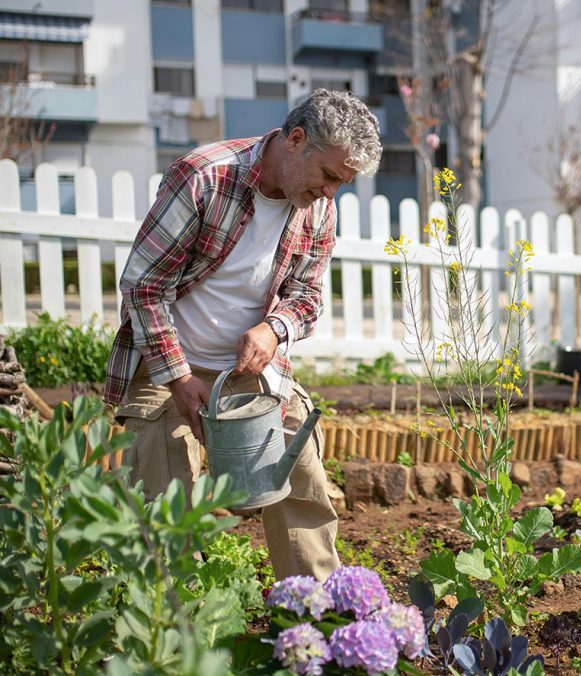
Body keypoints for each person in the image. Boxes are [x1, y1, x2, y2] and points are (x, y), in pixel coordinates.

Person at [103, 89, 381, 580]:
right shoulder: (205, 177)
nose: (332, 193)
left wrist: (275, 330)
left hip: (251, 370)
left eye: (344, 183)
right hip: (167, 366)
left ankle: (314, 624)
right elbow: (143, 287)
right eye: (330, 177)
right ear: (295, 140)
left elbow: (307, 298)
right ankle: (175, 637)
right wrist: (179, 378)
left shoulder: (317, 207)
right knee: (166, 507)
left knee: (302, 482)